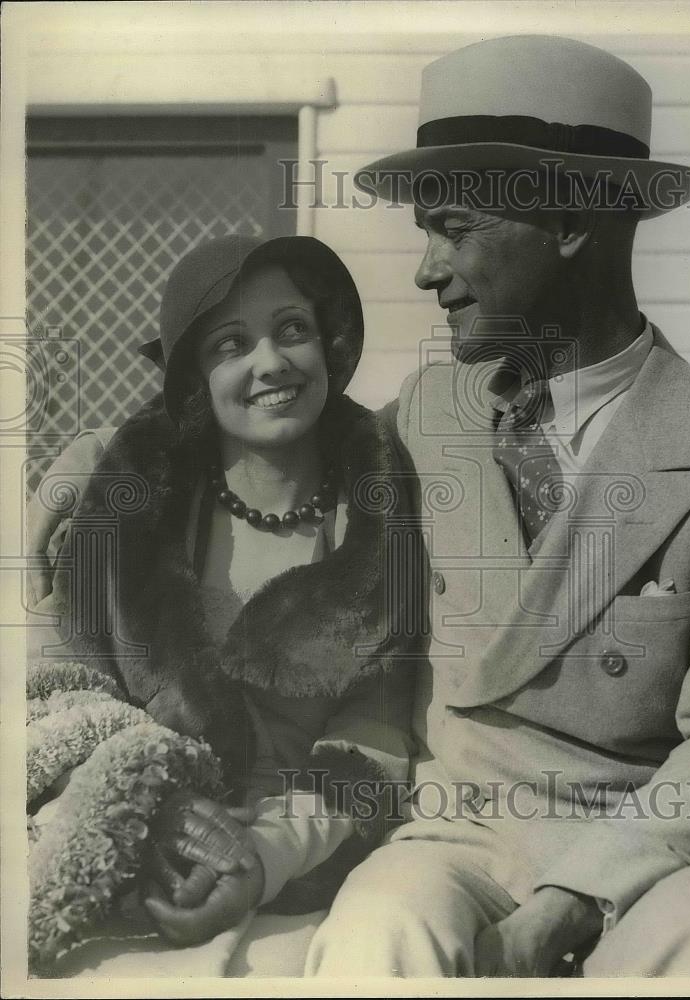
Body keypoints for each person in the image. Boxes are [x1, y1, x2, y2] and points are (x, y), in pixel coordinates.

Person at [302, 35, 690, 976]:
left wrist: (571, 902)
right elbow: (262, 487)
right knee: (378, 931)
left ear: (574, 223)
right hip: (454, 838)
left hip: (645, 853)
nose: (426, 271)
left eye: (454, 228)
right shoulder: (419, 421)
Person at [26, 234, 419, 948]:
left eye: (292, 329)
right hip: (135, 854)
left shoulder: (381, 513)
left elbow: (382, 726)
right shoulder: (125, 510)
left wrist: (272, 850)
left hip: (315, 879)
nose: (271, 362)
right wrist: (147, 811)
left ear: (328, 341)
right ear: (194, 380)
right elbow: (59, 694)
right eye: (229, 344)